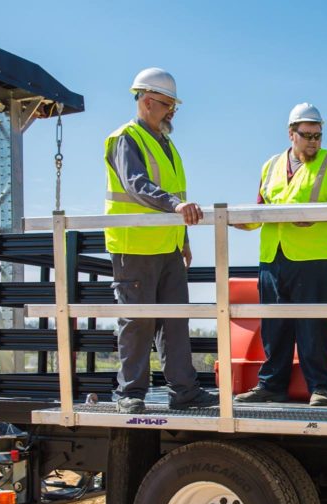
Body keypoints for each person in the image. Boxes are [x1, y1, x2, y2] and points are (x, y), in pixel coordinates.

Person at [104, 68, 218, 414]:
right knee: (137, 322)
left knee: (175, 320)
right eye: (168, 105)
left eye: (174, 107)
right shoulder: (126, 138)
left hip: (167, 247)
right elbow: (135, 183)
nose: (172, 112)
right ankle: (130, 393)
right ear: (147, 101)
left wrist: (182, 237)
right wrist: (175, 207)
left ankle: (183, 390)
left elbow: (177, 195)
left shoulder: (165, 144)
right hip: (134, 246)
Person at [233, 103, 327, 407]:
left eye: (318, 135)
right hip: (274, 257)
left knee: (312, 324)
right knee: (273, 324)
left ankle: (320, 387)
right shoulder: (271, 165)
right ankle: (272, 386)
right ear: (291, 134)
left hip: (319, 258)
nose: (314, 142)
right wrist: (241, 220)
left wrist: (317, 217)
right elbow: (261, 207)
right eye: (307, 135)